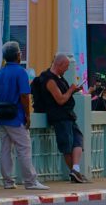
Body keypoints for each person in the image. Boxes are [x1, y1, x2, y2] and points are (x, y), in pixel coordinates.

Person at [0, 40, 46, 191]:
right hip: (16, 116)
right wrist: (27, 115)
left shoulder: (0, 72)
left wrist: (0, 103)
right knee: (24, 148)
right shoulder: (21, 72)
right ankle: (30, 181)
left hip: (2, 117)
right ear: (18, 55)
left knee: (5, 149)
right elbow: (25, 96)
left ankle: (8, 181)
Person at [31, 52, 85, 183]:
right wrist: (71, 90)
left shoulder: (60, 78)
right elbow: (60, 99)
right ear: (59, 64)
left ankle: (75, 169)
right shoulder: (49, 80)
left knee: (78, 140)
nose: (67, 70)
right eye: (66, 66)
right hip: (59, 117)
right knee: (66, 145)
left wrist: (74, 90)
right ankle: (74, 172)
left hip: (68, 115)